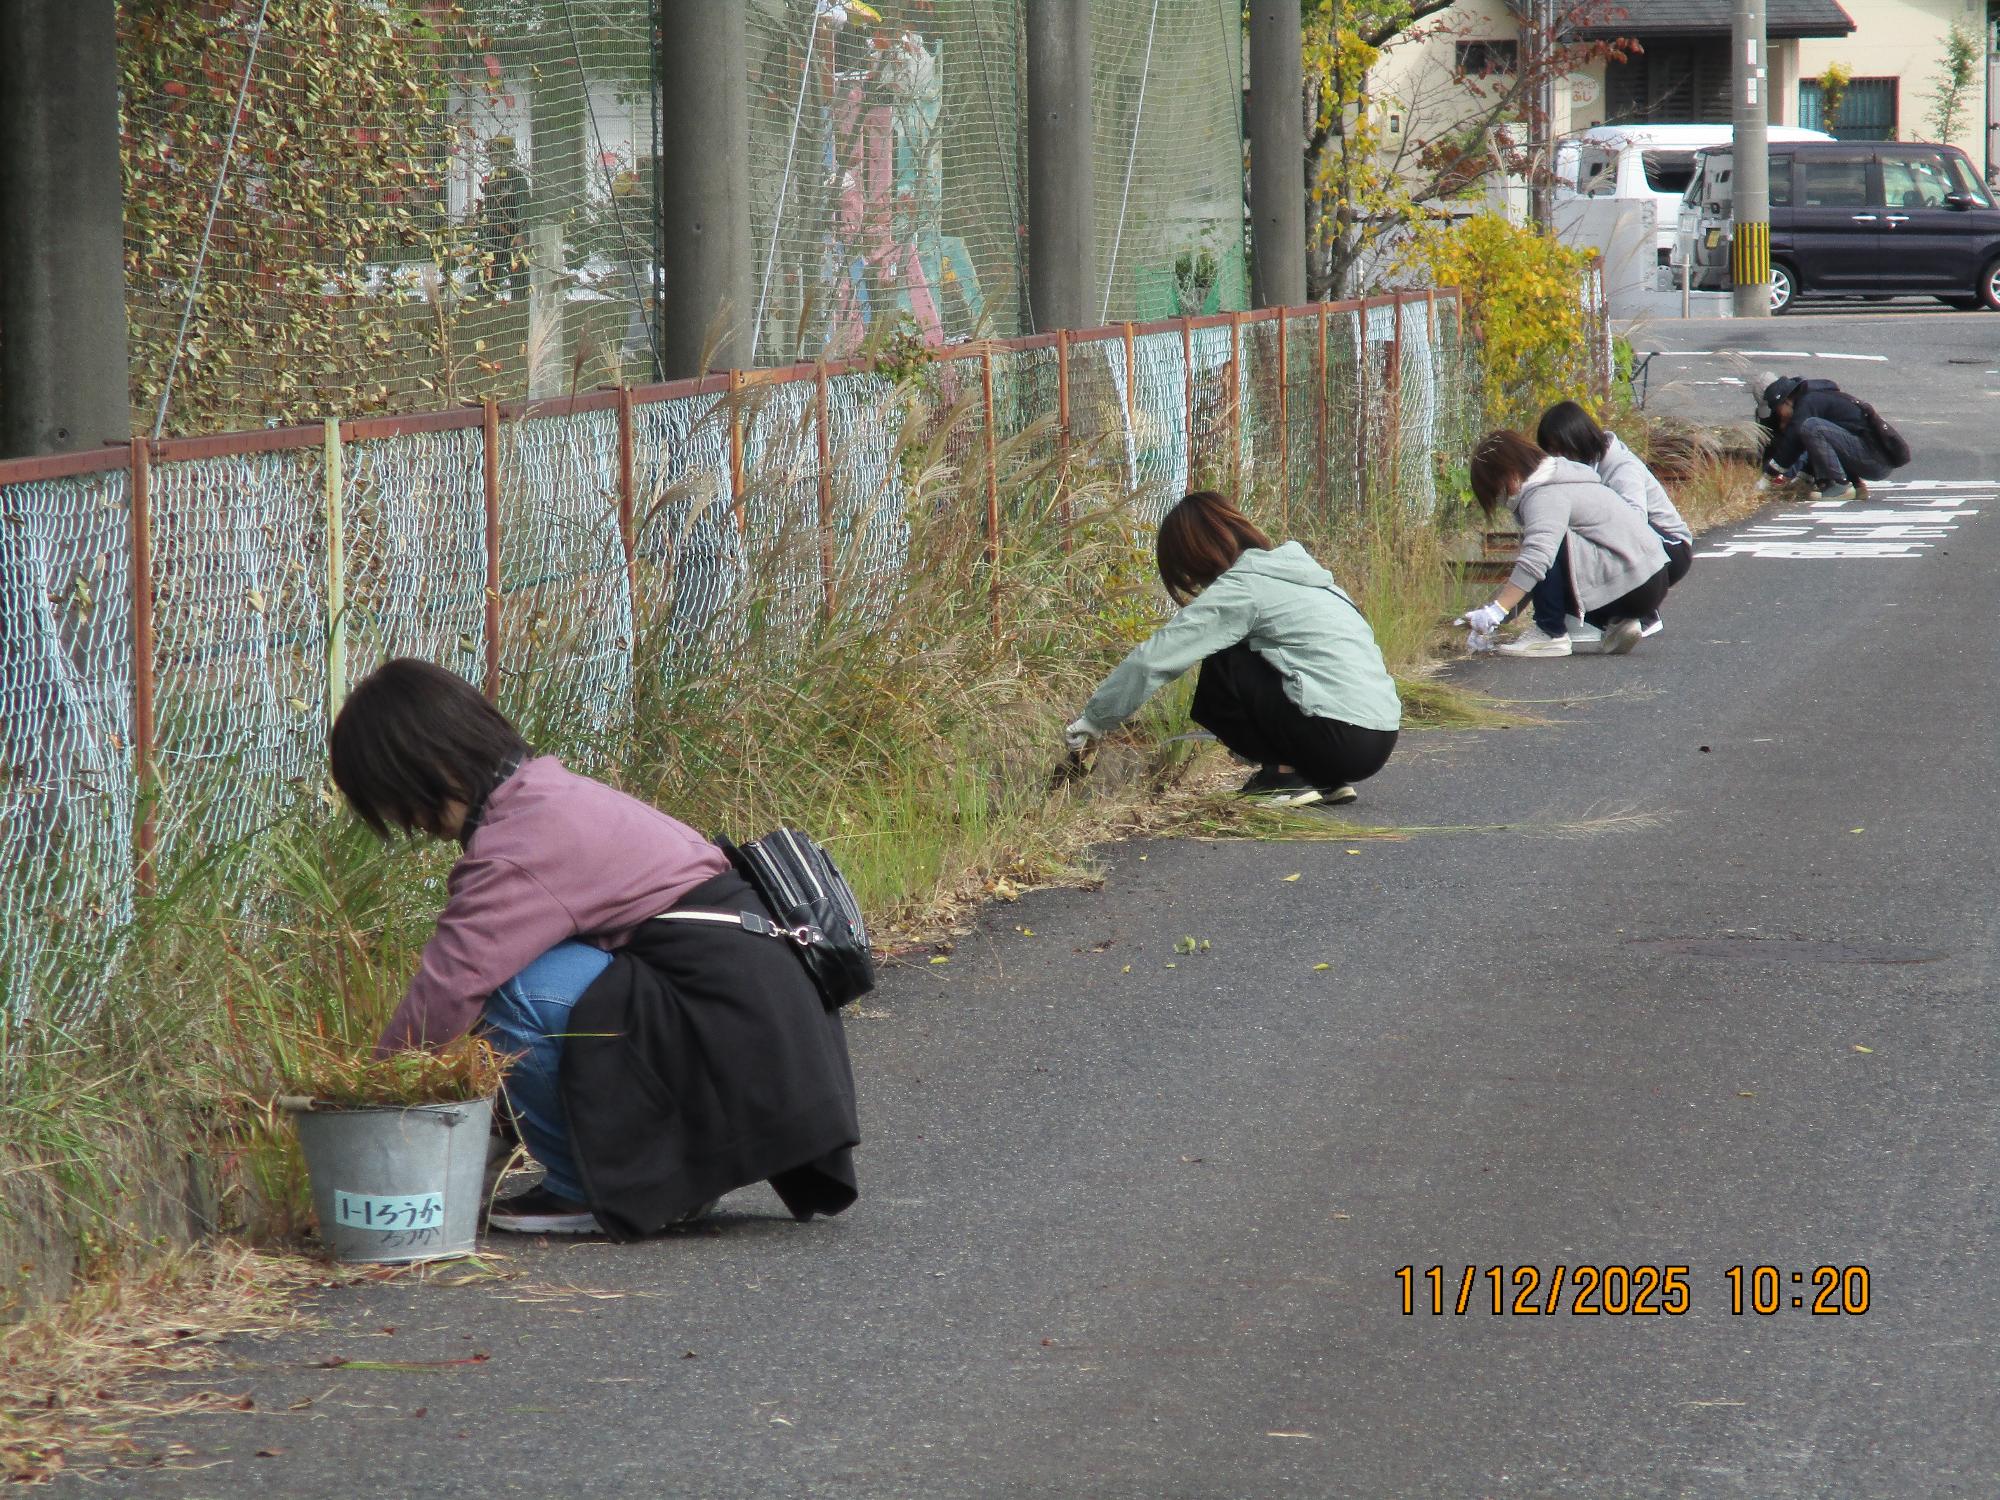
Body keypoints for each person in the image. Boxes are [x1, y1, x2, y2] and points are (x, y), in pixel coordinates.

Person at [329, 658, 859, 1238]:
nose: (410, 826)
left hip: (726, 1019)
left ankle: (584, 1190)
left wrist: (369, 1099)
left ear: (424, 770)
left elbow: (451, 985)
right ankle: (670, 1177)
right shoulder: (546, 792)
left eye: (396, 805)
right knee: (526, 978)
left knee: (514, 991)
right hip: (755, 1017)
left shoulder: (517, 844)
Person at [1062, 492, 1401, 809]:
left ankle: (1286, 777)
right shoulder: (1315, 582)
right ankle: (1321, 778)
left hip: (1337, 736)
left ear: (1193, 556)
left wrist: (1094, 720)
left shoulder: (1243, 587)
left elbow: (1155, 659)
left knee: (1224, 661)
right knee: (1255, 654)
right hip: (1379, 738)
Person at [1460, 431, 1670, 659]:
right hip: (1650, 581)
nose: (1500, 501)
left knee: (1543, 547)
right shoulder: (1562, 478)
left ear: (1508, 474)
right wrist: (1496, 616)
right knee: (1544, 546)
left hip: (1632, 585)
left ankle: (1550, 634)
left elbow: (1537, 561)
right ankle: (1615, 621)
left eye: (1495, 492)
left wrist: (1497, 611)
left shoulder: (1544, 495)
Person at [1535, 400, 1693, 639]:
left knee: (1590, 539)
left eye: (1561, 449)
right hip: (1644, 546)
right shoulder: (1583, 467)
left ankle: (1644, 612)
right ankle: (1616, 618)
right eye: (1551, 452)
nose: (1558, 458)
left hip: (1669, 547)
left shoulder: (1621, 467)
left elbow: (1634, 525)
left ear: (1577, 439)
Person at [1758, 375, 1893, 501]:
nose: (1781, 418)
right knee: (1815, 432)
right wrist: (1801, 481)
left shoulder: (1808, 402)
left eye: (1778, 411)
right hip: (1877, 459)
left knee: (1812, 427)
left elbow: (1793, 442)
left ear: (1786, 402)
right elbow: (1812, 447)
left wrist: (1767, 478)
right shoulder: (1818, 399)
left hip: (1874, 459)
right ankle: (1856, 485)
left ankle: (1839, 485)